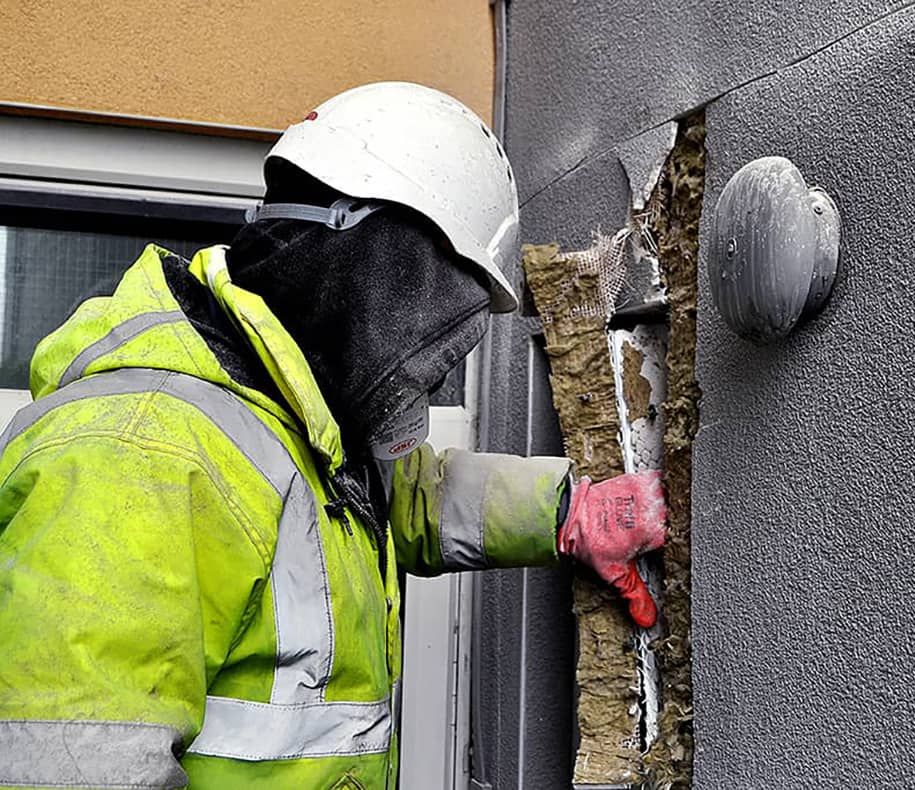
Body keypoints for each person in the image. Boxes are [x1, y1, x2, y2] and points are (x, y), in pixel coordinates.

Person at [0, 82, 666, 789]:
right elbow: (68, 771)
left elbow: (398, 500)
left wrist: (570, 512)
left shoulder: (288, 411)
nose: (437, 371)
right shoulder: (138, 458)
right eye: (442, 331)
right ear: (379, 263)